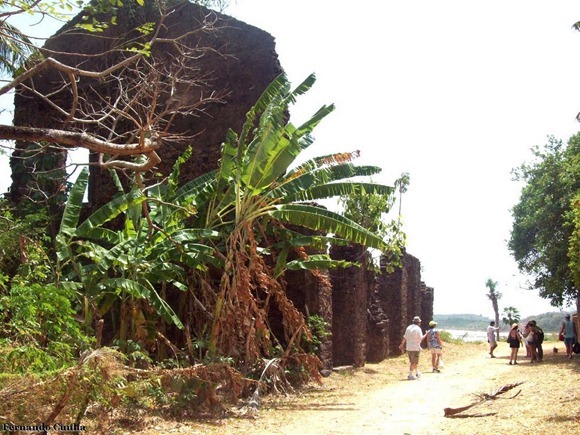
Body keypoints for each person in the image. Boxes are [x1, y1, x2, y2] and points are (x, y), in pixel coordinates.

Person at [399, 316, 423, 380]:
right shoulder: (418, 329)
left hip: (408, 347)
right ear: (419, 322)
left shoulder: (408, 327)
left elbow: (405, 337)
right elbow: (421, 338)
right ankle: (410, 374)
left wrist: (402, 344)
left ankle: (417, 373)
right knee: (414, 362)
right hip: (415, 347)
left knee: (413, 361)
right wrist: (426, 334)